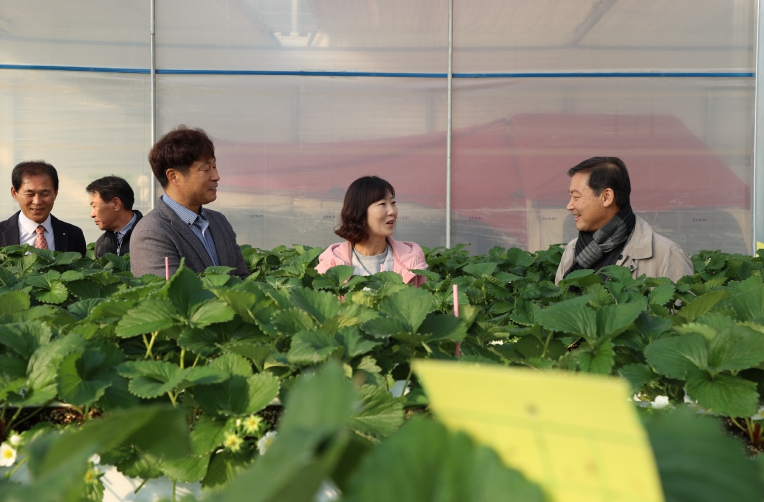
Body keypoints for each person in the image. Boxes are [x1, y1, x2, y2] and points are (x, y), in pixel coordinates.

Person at [129, 125, 249, 278]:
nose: (216, 176)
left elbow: (243, 280)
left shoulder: (219, 222)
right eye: (206, 169)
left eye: (214, 166)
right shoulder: (152, 232)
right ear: (174, 176)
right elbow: (168, 290)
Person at [555, 157, 693, 285]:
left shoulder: (668, 256)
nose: (569, 206)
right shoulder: (572, 250)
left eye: (576, 197)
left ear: (606, 197)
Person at [316, 176, 427, 286]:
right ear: (360, 213)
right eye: (382, 204)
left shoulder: (412, 259)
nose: (392, 211)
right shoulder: (332, 264)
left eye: (393, 203)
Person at [0, 161, 86, 255]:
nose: (37, 201)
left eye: (45, 194)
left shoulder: (73, 234)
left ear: (55, 193)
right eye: (29, 194)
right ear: (14, 193)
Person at [86, 176, 143, 259]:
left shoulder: (150, 236)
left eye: (94, 206)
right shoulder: (101, 243)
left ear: (116, 204)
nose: (92, 214)